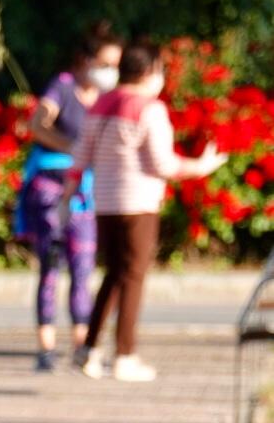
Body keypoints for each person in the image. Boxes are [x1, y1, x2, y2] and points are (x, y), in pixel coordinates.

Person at [64, 40, 227, 382]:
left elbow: (80, 157)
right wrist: (202, 166)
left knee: (113, 274)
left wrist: (66, 197)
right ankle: (125, 355)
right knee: (134, 276)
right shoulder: (149, 108)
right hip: (138, 204)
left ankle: (89, 350)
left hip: (105, 203)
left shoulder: (100, 104)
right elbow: (163, 163)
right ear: (151, 71)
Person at [15, 23, 122, 372]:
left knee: (84, 267)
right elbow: (36, 124)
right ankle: (45, 347)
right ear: (85, 61)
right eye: (105, 64)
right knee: (50, 266)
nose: (110, 73)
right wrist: (72, 149)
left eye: (115, 66)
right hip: (49, 189)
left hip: (84, 193)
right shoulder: (62, 87)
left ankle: (82, 344)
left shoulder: (107, 98)